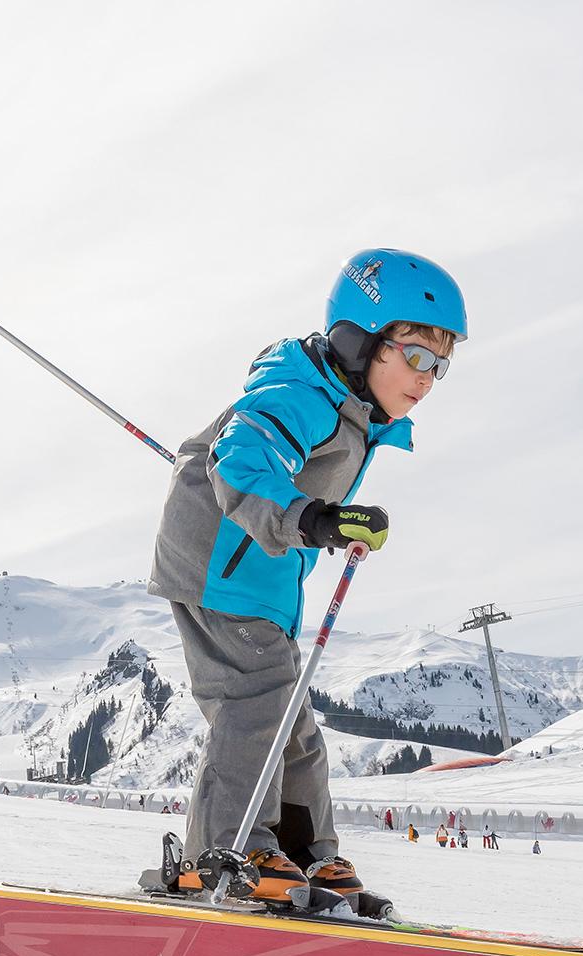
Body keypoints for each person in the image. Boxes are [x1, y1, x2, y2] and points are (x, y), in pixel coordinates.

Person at [147, 248, 464, 900]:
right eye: (417, 356)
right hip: (220, 562)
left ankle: (307, 857)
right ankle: (227, 856)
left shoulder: (350, 415)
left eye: (442, 365)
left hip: (261, 577)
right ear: (362, 340)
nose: (428, 378)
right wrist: (313, 519)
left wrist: (325, 523)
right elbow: (240, 460)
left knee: (294, 726)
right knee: (255, 706)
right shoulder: (301, 395)